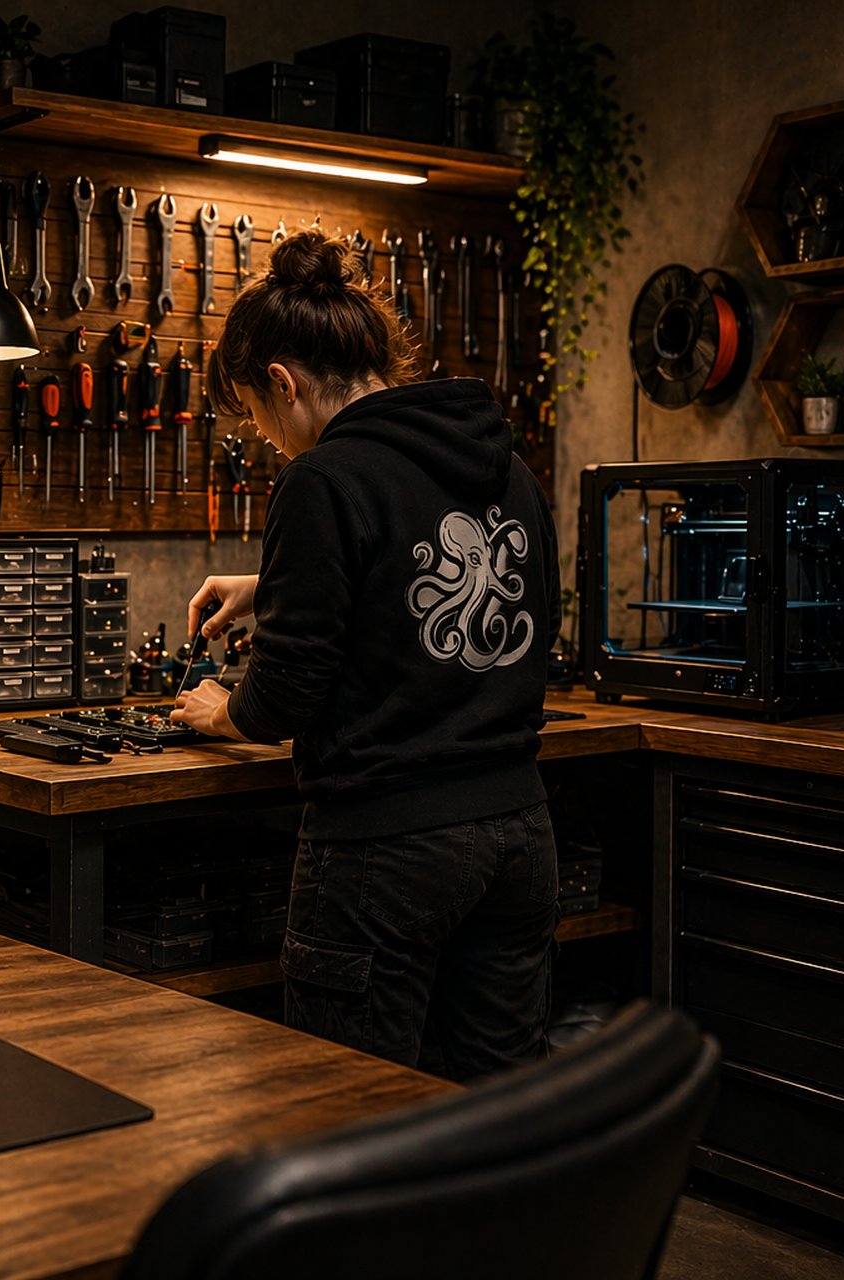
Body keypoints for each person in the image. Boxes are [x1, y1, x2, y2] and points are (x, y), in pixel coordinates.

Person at [169, 227, 562, 1082]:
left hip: (386, 851)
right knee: (500, 1118)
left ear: (284, 382)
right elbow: (461, 591)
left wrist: (221, 713)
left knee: (350, 1115)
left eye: (260, 418)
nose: (272, 440)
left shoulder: (323, 479)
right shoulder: (508, 466)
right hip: (519, 837)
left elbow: (285, 698)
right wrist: (276, 584)